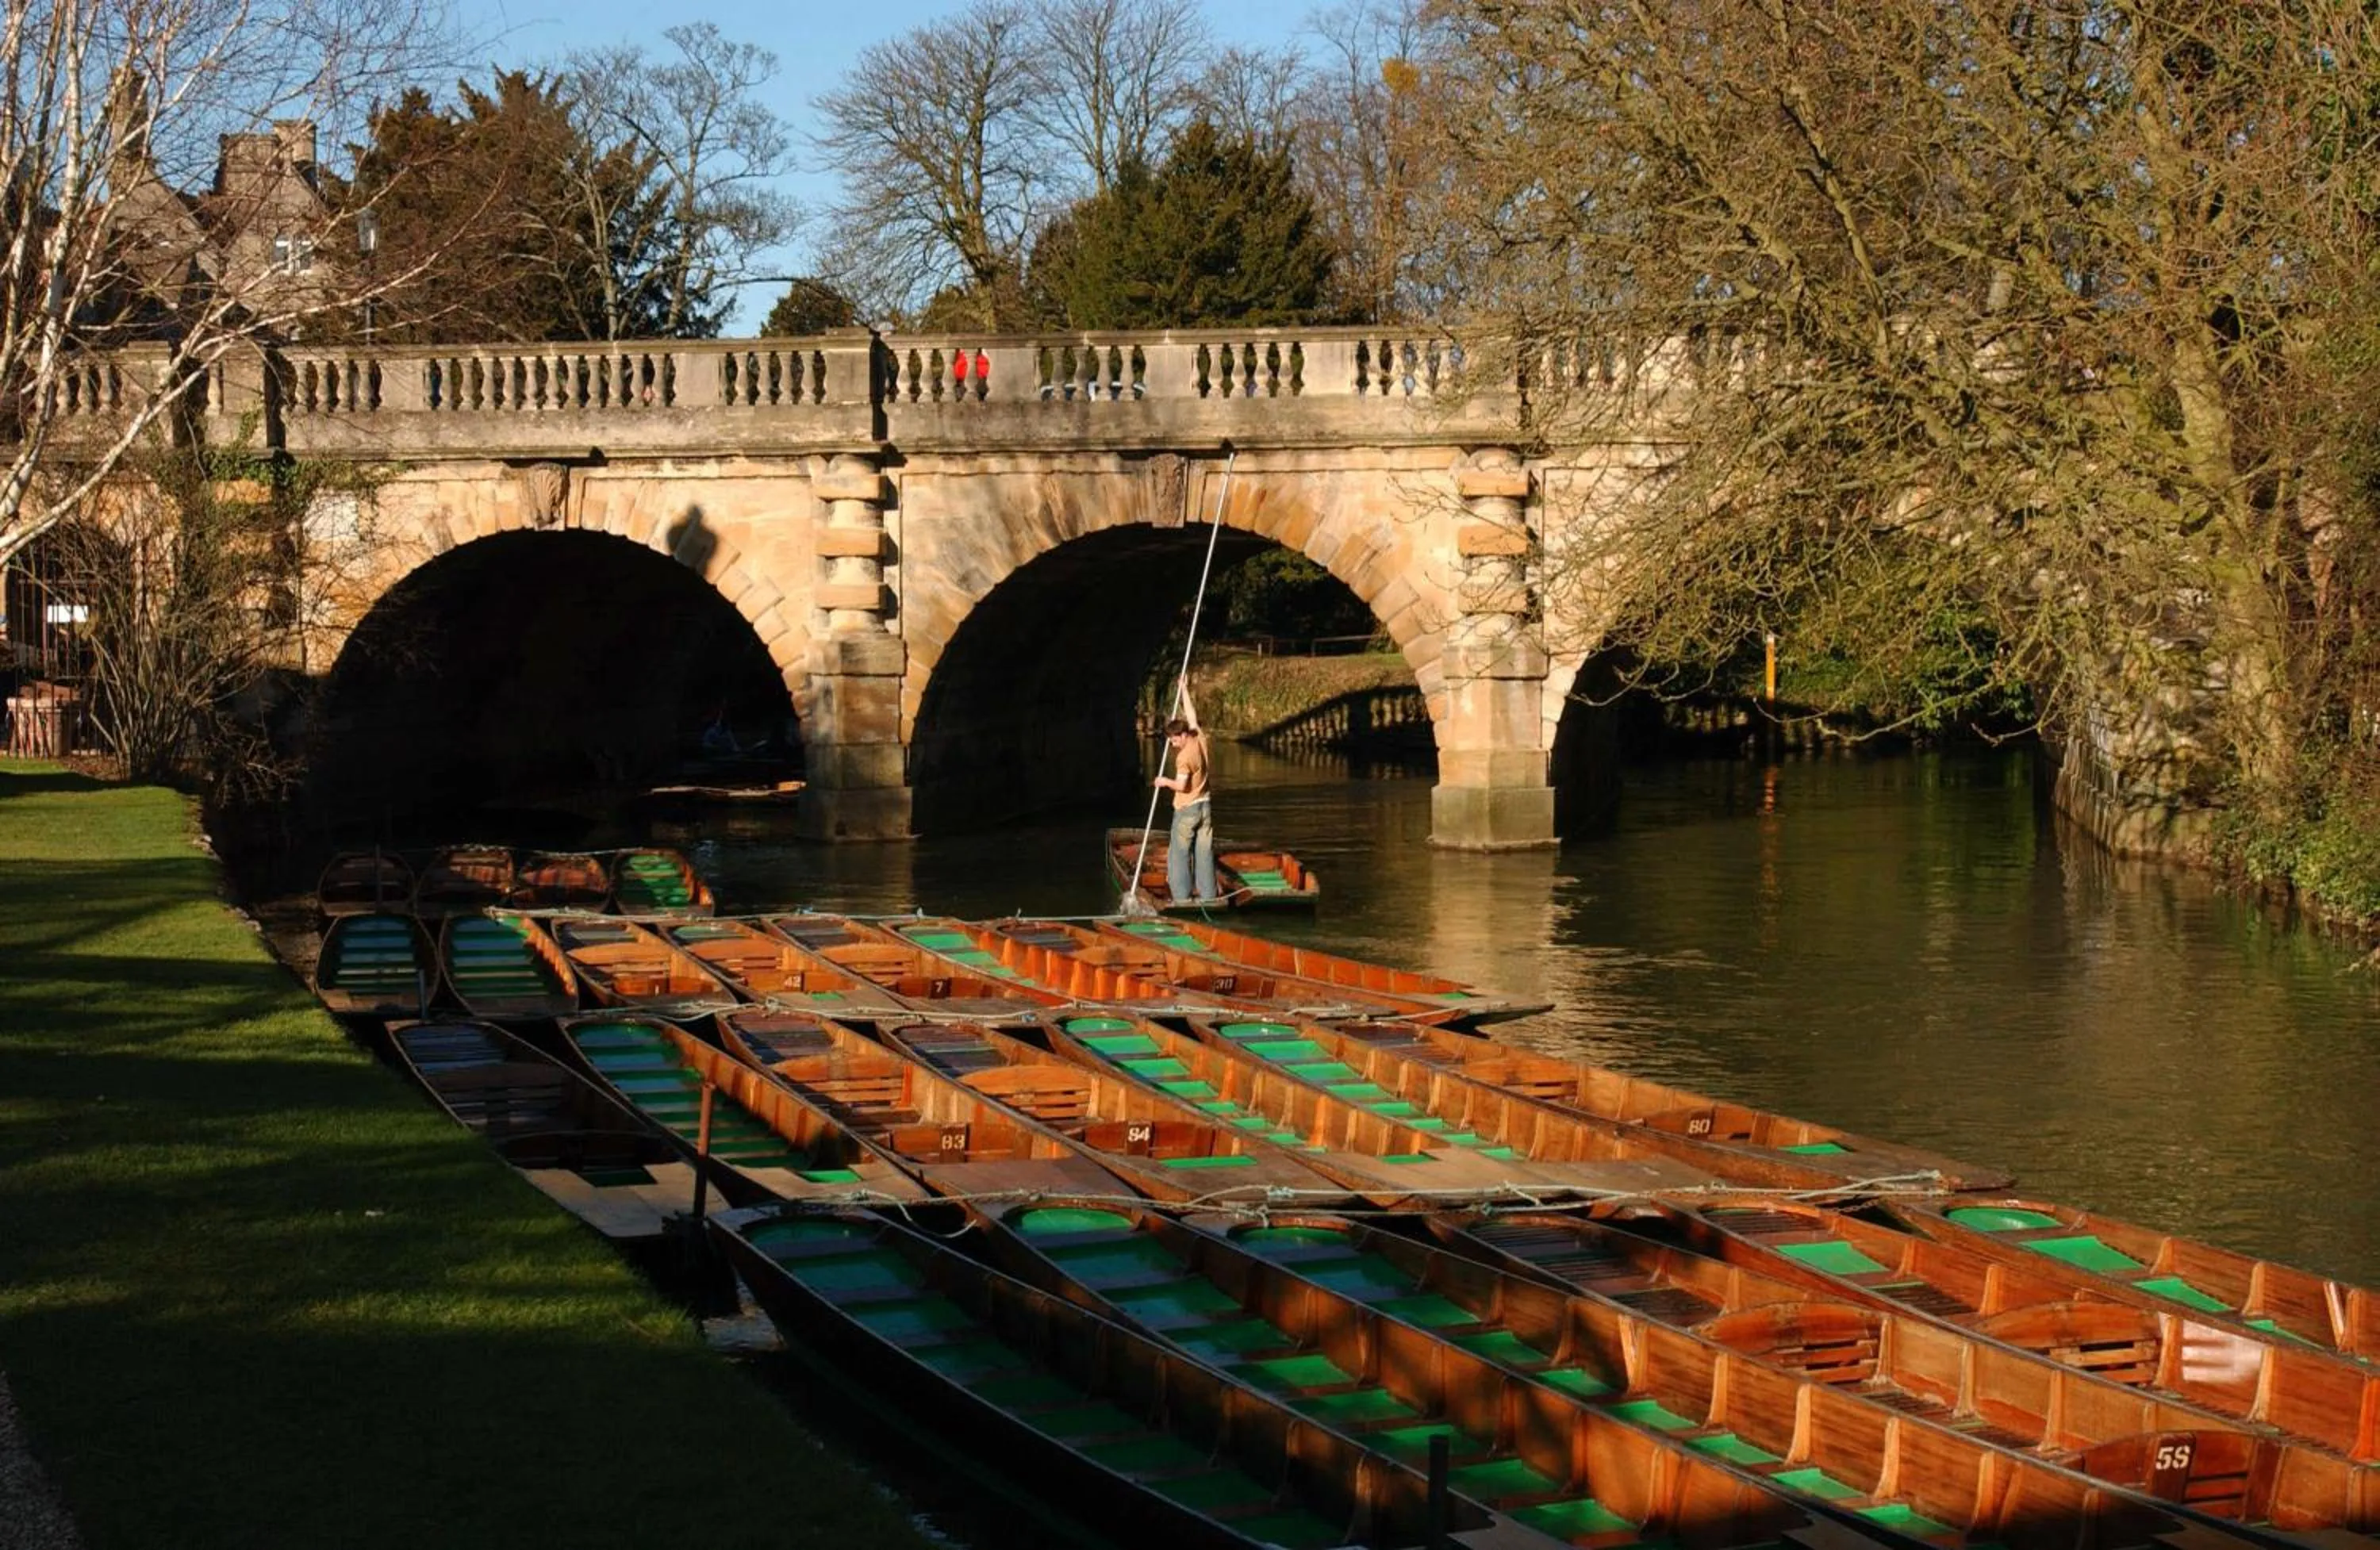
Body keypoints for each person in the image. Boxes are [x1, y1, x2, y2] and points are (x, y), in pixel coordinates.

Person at [1153, 680, 1216, 904]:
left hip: (1188, 809)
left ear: (1180, 736)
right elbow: (1192, 716)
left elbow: (1182, 786)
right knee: (1204, 852)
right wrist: (1184, 690)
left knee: (1178, 854)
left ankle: (1181, 898)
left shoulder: (1184, 758)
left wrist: (1163, 782)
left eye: (1173, 741)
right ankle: (1209, 897)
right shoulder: (1199, 738)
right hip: (1205, 806)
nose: (1172, 745)